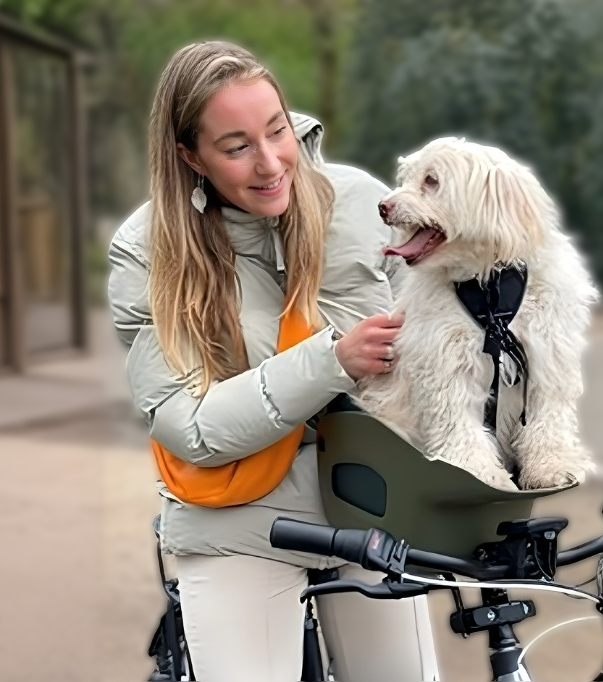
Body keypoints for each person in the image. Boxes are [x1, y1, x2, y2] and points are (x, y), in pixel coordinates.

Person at [107, 41, 441, 682]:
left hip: (370, 501)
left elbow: (442, 347)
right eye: (236, 148)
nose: (269, 165)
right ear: (190, 157)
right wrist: (333, 360)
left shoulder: (365, 204)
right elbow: (193, 429)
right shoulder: (149, 250)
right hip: (238, 519)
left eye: (277, 131)